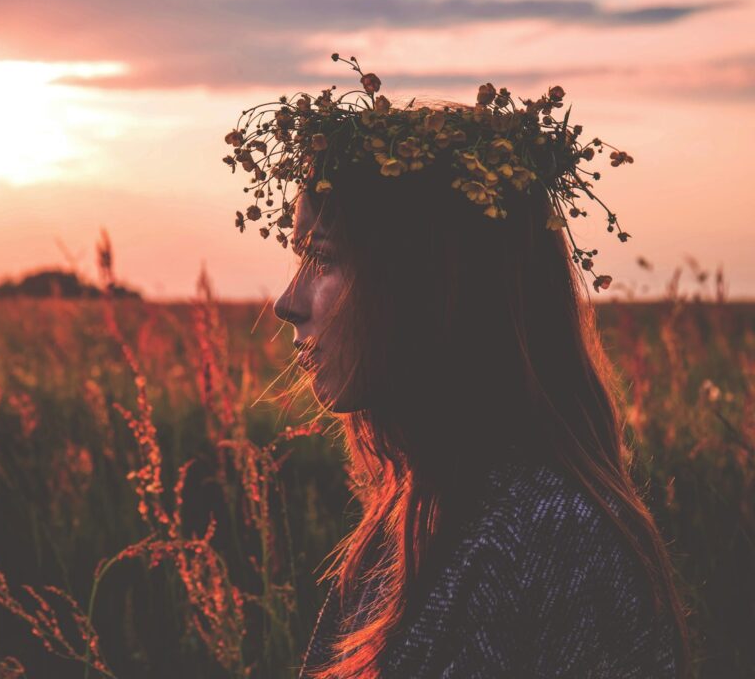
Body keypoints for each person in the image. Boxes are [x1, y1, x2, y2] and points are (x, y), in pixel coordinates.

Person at [223, 54, 694, 679]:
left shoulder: (548, 542)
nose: (286, 303)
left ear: (429, 288)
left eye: (325, 258)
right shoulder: (419, 516)